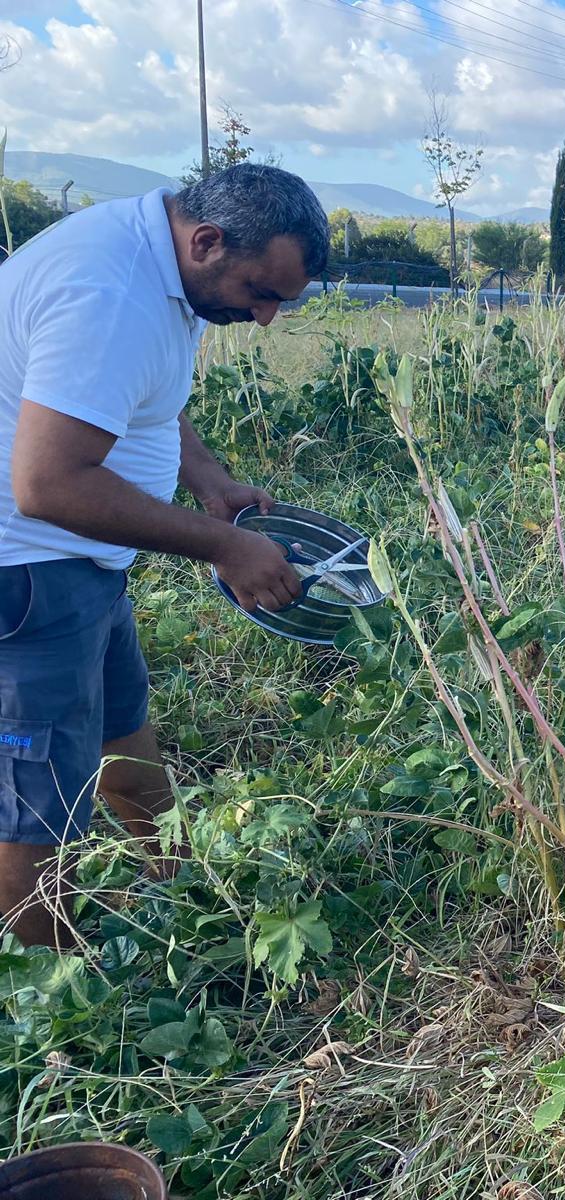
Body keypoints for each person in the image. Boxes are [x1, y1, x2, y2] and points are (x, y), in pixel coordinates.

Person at [0, 163, 330, 946]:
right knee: (35, 804)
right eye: (261, 292)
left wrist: (209, 481)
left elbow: (132, 399)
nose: (265, 317)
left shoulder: (160, 262)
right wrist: (224, 544)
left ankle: (181, 893)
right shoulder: (109, 294)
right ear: (208, 241)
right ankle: (46, 999)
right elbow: (46, 485)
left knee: (125, 731)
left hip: (82, 566)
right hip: (29, 569)